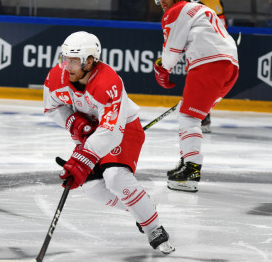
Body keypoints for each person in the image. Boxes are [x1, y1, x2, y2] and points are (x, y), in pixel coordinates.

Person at [43, 31, 175, 254]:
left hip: (123, 129)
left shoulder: (108, 82)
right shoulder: (57, 77)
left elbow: (111, 132)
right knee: (94, 190)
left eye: (74, 60)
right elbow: (52, 108)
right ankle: (142, 206)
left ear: (90, 61)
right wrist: (74, 123)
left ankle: (153, 227)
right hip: (92, 133)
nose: (68, 65)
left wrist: (82, 159)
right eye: (65, 59)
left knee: (115, 177)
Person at [153, 0, 239, 192]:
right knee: (189, 113)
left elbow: (171, 54)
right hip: (230, 66)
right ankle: (186, 162)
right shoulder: (200, 8)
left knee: (188, 117)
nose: (162, 1)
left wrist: (162, 70)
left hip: (209, 63)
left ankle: (191, 169)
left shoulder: (175, 12)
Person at [185, 0, 227, 133]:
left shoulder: (214, 2)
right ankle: (195, 113)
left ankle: (204, 114)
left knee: (206, 82)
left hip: (209, 48)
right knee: (194, 80)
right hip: (191, 47)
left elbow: (221, 26)